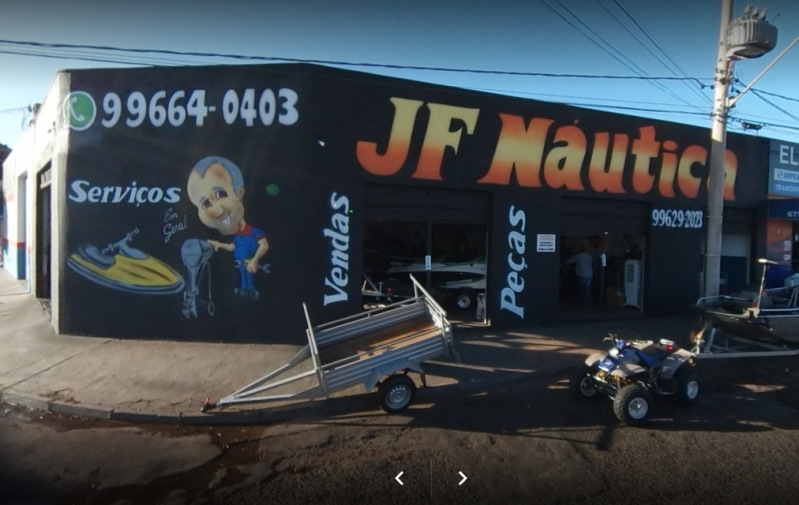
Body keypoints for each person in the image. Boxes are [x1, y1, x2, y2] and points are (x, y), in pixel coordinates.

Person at [187, 156, 269, 300]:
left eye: (220, 194)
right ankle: (245, 289)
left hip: (251, 264)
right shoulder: (237, 236)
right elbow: (232, 247)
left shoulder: (253, 231)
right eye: (205, 204)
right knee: (243, 275)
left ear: (239, 193)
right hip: (241, 264)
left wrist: (254, 260)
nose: (213, 211)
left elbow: (264, 245)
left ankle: (249, 289)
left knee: (248, 276)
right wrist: (219, 244)